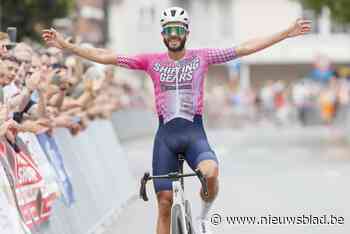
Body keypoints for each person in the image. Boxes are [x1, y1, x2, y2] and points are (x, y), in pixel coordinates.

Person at [42, 6, 311, 234]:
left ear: (186, 33)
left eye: (178, 30)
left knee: (211, 173)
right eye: (169, 30)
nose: (173, 35)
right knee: (163, 201)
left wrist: (285, 33)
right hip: (166, 140)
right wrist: (66, 46)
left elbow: (244, 48)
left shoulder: (202, 57)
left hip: (194, 135)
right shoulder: (150, 61)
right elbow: (106, 57)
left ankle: (203, 216)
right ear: (163, 35)